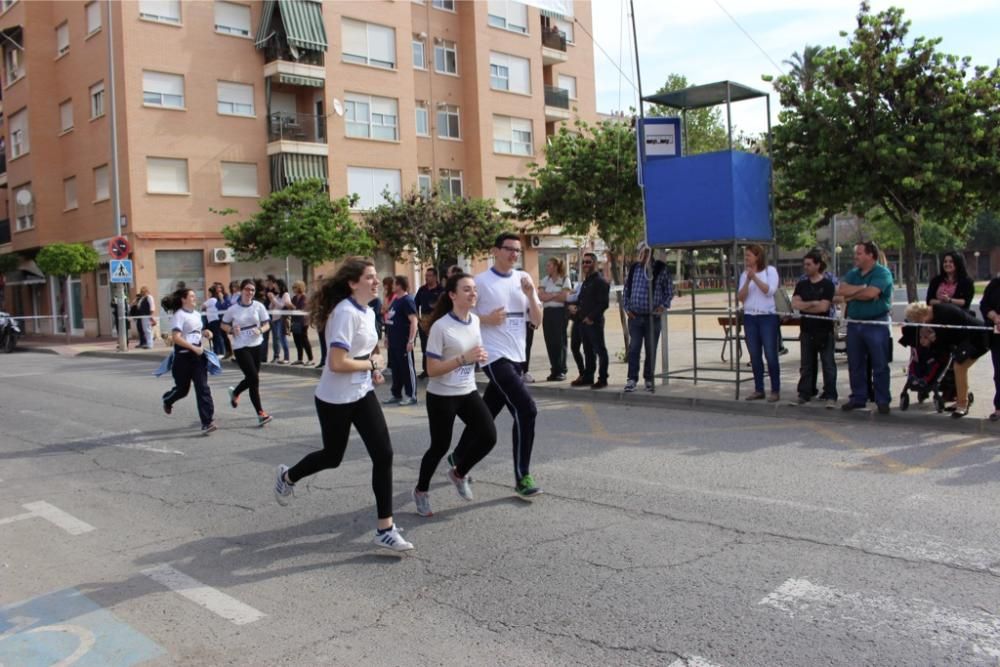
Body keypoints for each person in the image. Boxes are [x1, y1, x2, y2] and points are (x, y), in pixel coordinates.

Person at [273, 258, 413, 552]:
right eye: (371, 277)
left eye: (377, 277)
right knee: (332, 456)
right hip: (334, 399)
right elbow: (336, 363)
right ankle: (288, 476)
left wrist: (372, 367)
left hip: (361, 394)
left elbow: (363, 351)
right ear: (353, 283)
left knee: (383, 454)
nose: (377, 282)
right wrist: (370, 363)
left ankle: (384, 528)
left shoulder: (367, 309)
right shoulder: (345, 313)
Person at [412, 272, 496, 517]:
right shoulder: (441, 327)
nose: (473, 294)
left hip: (467, 390)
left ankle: (459, 473)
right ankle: (420, 491)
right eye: (467, 289)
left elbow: (474, 352)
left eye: (474, 290)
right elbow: (431, 370)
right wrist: (463, 358)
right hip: (442, 395)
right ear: (452, 295)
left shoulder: (476, 321)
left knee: (488, 436)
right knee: (439, 447)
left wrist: (479, 357)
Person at [473, 233, 543, 498]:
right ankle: (522, 476)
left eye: (518, 250)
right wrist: (485, 319)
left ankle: (458, 458)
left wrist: (531, 294)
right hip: (493, 356)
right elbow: (462, 315)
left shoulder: (523, 279)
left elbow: (537, 321)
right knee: (526, 410)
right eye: (509, 249)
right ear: (495, 251)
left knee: (486, 414)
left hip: (517, 356)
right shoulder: (480, 282)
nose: (515, 254)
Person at [838, 241, 894, 414]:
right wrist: (862, 289)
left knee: (879, 363)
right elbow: (841, 290)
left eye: (859, 253)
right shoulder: (854, 273)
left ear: (871, 255)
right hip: (855, 324)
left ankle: (882, 400)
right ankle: (858, 397)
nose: (856, 257)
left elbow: (872, 293)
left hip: (875, 323)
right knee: (855, 363)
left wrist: (853, 295)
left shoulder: (882, 273)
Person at [905, 302, 987, 418]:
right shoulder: (936, 312)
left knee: (959, 367)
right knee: (958, 367)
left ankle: (962, 405)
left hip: (978, 338)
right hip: (966, 339)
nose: (921, 323)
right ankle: (961, 398)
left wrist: (932, 340)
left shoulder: (942, 314)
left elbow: (943, 341)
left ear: (921, 315)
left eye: (918, 320)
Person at [161, 287, 217, 434]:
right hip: (183, 357)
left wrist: (206, 333)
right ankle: (168, 400)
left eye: (194, 295)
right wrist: (193, 348)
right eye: (191, 296)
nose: (194, 298)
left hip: (197, 357)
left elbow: (197, 331)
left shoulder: (197, 315)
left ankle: (207, 422)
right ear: (183, 299)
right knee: (182, 390)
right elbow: (176, 338)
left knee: (203, 388)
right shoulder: (179, 315)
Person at [622, 242, 674, 393]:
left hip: (652, 318)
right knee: (634, 349)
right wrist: (627, 308)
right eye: (640, 252)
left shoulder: (660, 269)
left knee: (651, 349)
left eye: (645, 252)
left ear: (651, 253)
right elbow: (626, 290)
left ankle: (649, 379)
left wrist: (663, 306)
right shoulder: (634, 269)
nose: (642, 255)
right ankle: (631, 379)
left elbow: (669, 291)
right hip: (635, 317)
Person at [221, 279, 273, 427]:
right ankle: (261, 413)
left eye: (252, 290)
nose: (250, 292)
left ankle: (236, 392)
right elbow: (223, 325)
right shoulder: (233, 309)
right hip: (240, 346)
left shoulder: (259, 306)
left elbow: (267, 324)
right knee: (254, 378)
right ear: (241, 290)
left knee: (252, 379)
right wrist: (231, 330)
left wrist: (260, 330)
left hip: (256, 344)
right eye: (247, 289)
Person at [791, 249, 837, 406]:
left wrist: (808, 306)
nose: (806, 267)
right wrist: (812, 303)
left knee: (828, 364)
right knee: (806, 364)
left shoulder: (827, 285)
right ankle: (805, 392)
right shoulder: (802, 284)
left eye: (809, 264)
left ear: (818, 265)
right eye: (804, 264)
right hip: (806, 329)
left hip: (824, 330)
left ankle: (830, 394)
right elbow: (795, 304)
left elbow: (823, 307)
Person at [738, 244, 781, 402]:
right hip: (750, 317)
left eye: (749, 255)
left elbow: (769, 291)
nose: (746, 258)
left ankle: (775, 390)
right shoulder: (744, 274)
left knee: (770, 354)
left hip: (767, 317)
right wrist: (747, 281)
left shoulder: (770, 271)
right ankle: (759, 388)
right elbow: (741, 297)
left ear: (757, 256)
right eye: (745, 256)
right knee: (755, 355)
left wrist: (754, 278)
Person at [570, 252, 610, 389]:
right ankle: (588, 377)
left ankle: (603, 379)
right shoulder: (586, 281)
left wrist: (590, 317)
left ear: (595, 263)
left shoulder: (600, 281)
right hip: (582, 322)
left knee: (600, 351)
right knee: (588, 351)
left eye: (589, 262)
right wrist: (575, 308)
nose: (586, 264)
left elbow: (603, 304)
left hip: (594, 322)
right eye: (584, 262)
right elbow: (582, 300)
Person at [383, 275, 418, 406]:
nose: (392, 286)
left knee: (406, 369)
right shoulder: (396, 300)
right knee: (396, 369)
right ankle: (396, 394)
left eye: (394, 284)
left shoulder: (407, 300)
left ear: (399, 285)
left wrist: (411, 340)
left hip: (403, 341)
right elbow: (389, 319)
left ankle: (411, 395)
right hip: (393, 341)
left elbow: (414, 321)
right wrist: (387, 336)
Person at [538, 257, 572, 381]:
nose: (547, 268)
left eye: (549, 265)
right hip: (548, 313)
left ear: (556, 267)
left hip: (559, 313)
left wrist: (549, 296)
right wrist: (555, 295)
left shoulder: (564, 279)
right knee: (550, 342)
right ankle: (554, 369)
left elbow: (564, 297)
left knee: (560, 341)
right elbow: (540, 296)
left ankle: (561, 370)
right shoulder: (544, 280)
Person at [414, 267, 444, 379]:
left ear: (435, 277)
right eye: (426, 276)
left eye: (429, 275)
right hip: (424, 321)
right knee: (425, 346)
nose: (427, 278)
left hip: (438, 321)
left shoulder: (441, 290)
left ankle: (439, 369)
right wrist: (418, 318)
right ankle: (426, 370)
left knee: (438, 346)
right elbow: (415, 305)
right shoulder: (422, 290)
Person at [979, 276, 1000, 421]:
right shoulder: (995, 283)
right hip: (997, 334)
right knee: (999, 372)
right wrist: (994, 316)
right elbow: (984, 304)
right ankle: (999, 407)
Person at [268, 279, 292, 364]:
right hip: (274, 319)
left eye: (276, 285)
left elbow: (282, 306)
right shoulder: (277, 296)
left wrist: (273, 299)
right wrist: (272, 299)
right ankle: (277, 356)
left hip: (281, 319)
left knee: (282, 338)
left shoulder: (286, 294)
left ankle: (286, 357)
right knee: (277, 338)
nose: (275, 287)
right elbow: (270, 307)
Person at [289, 280, 313, 365]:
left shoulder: (304, 297)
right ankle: (300, 359)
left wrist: (292, 306)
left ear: (300, 288)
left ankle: (311, 359)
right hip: (295, 321)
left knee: (304, 340)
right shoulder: (294, 298)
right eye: (293, 287)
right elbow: (292, 308)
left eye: (295, 287)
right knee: (297, 340)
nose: (293, 289)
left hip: (303, 322)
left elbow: (301, 309)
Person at [202, 285, 227, 357]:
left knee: (217, 336)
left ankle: (220, 352)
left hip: (214, 321)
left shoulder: (212, 300)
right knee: (216, 336)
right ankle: (218, 351)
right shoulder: (215, 300)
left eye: (209, 292)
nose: (208, 294)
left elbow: (203, 306)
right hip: (212, 321)